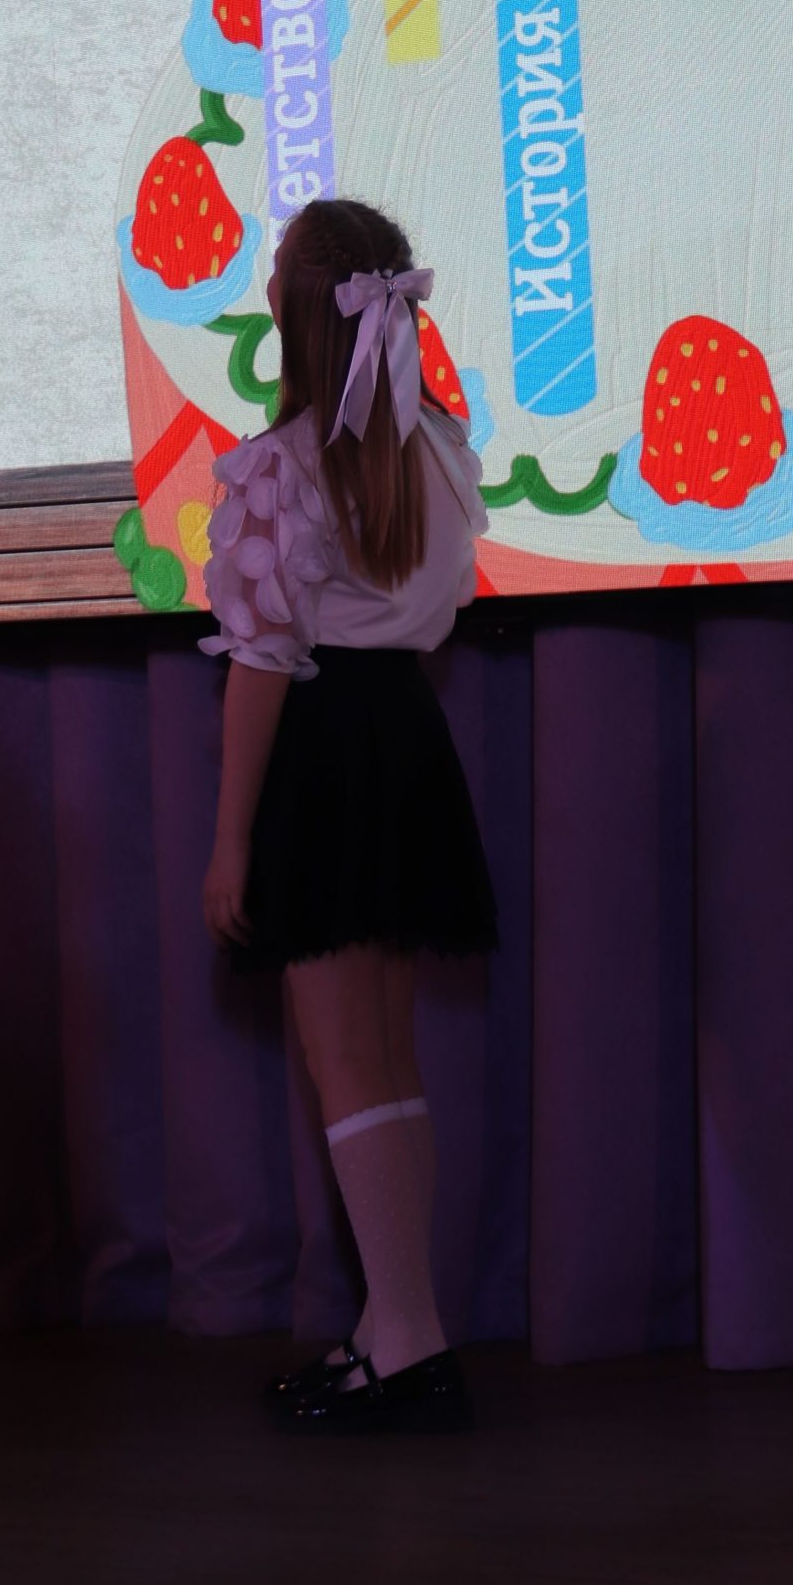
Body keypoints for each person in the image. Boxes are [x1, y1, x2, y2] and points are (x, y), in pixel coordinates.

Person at [198, 197, 497, 1436]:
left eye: (276, 268)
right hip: (404, 737)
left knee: (345, 1057)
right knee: (387, 1050)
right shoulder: (433, 449)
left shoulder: (284, 467)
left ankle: (409, 1338)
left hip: (327, 749)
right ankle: (392, 1327)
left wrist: (230, 839)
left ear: (295, 310)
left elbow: (262, 663)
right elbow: (439, 604)